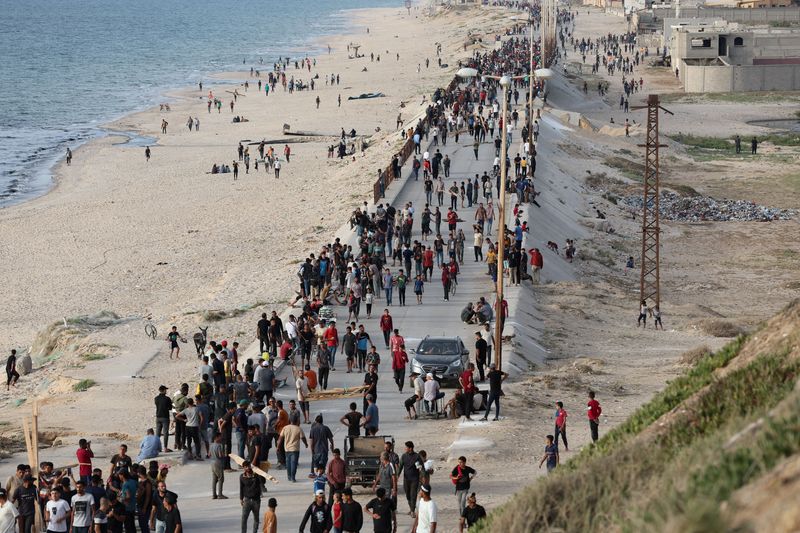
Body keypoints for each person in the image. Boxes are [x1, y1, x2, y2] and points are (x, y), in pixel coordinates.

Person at [276, 418, 308, 482]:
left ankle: (289, 476)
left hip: (287, 449)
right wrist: (306, 444)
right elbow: (303, 438)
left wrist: (278, 447)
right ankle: (293, 477)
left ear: (290, 421)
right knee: (294, 463)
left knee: (288, 463)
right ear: (296, 421)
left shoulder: (285, 428)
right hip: (295, 449)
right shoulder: (298, 428)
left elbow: (280, 438)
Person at [398, 442, 421, 517]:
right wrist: (397, 476)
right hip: (406, 479)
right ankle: (411, 508)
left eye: (406, 447)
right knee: (408, 495)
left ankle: (412, 511)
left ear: (410, 448)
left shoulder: (417, 456)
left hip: (415, 479)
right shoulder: (404, 456)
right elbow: (400, 467)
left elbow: (420, 468)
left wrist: (422, 477)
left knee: (413, 495)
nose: (405, 449)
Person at [239, 461, 262, 533]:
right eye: (246, 467)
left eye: (248, 466)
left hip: (256, 500)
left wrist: (258, 473)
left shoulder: (256, 475)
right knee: (244, 519)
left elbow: (261, 482)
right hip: (247, 500)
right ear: (243, 468)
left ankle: (255, 531)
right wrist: (241, 498)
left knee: (256, 519)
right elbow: (241, 488)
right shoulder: (242, 477)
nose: (247, 468)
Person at [154, 385, 173, 452]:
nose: (166, 391)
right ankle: (165, 447)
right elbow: (170, 408)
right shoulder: (167, 398)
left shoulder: (156, 398)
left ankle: (157, 447)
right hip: (165, 417)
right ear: (164, 390)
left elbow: (157, 405)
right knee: (165, 433)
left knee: (157, 433)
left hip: (158, 416)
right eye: (165, 390)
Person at [210, 432, 227, 499]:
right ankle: (220, 494)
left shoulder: (211, 445)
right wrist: (224, 455)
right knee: (221, 478)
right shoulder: (219, 445)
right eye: (220, 436)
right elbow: (220, 455)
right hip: (218, 463)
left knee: (214, 479)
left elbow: (209, 454)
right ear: (216, 437)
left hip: (212, 463)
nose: (221, 438)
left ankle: (214, 494)